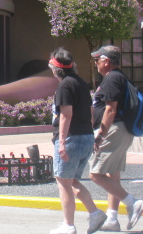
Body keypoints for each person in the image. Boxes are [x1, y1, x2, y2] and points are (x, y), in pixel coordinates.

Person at [89, 46, 143, 231]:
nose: (95, 63)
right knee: (112, 174)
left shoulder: (112, 78)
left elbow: (110, 110)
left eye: (97, 59)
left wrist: (100, 136)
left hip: (114, 130)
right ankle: (112, 219)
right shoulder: (120, 77)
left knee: (95, 174)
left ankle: (133, 203)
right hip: (122, 129)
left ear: (106, 61)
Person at [48, 48, 106, 234]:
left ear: (55, 69)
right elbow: (90, 112)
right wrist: (90, 135)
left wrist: (62, 142)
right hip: (86, 136)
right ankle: (95, 213)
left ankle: (69, 225)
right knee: (72, 181)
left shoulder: (65, 85)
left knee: (64, 183)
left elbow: (65, 114)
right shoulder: (80, 82)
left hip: (71, 138)